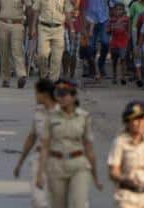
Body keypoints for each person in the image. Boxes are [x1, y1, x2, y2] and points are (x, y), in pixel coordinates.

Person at [37, 80, 103, 208]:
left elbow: (89, 148)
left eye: (64, 94)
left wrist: (95, 177)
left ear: (73, 96)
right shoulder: (50, 117)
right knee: (58, 205)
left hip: (78, 164)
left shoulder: (84, 117)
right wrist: (40, 173)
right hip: (56, 164)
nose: (60, 97)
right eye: (58, 94)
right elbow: (45, 147)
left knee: (79, 203)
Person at [14, 79, 58, 208]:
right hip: (39, 158)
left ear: (44, 94)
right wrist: (20, 162)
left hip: (58, 159)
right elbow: (32, 137)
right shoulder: (39, 111)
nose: (35, 96)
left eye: (36, 93)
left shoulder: (62, 112)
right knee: (38, 201)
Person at [31, 0, 72, 81]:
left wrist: (71, 28)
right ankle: (44, 74)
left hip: (59, 29)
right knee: (42, 55)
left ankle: (53, 81)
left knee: (57, 58)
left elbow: (68, 13)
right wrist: (33, 28)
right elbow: (35, 11)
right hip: (43, 28)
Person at [0, 0, 31, 88]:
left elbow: (29, 7)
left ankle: (21, 75)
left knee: (17, 50)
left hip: (17, 24)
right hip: (3, 23)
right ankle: (5, 78)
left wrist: (30, 25)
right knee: (4, 52)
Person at [80, 0, 118, 79]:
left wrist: (117, 14)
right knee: (90, 46)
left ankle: (101, 64)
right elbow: (80, 3)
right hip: (89, 20)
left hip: (104, 19)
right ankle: (92, 67)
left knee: (106, 43)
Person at [108, 3, 130, 85]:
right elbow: (108, 31)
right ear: (114, 11)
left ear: (123, 11)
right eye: (116, 9)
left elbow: (129, 30)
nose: (118, 11)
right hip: (114, 42)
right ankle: (114, 76)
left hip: (123, 42)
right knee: (114, 60)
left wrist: (128, 40)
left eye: (120, 9)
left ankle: (123, 76)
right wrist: (111, 28)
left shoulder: (126, 19)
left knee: (123, 59)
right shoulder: (111, 20)